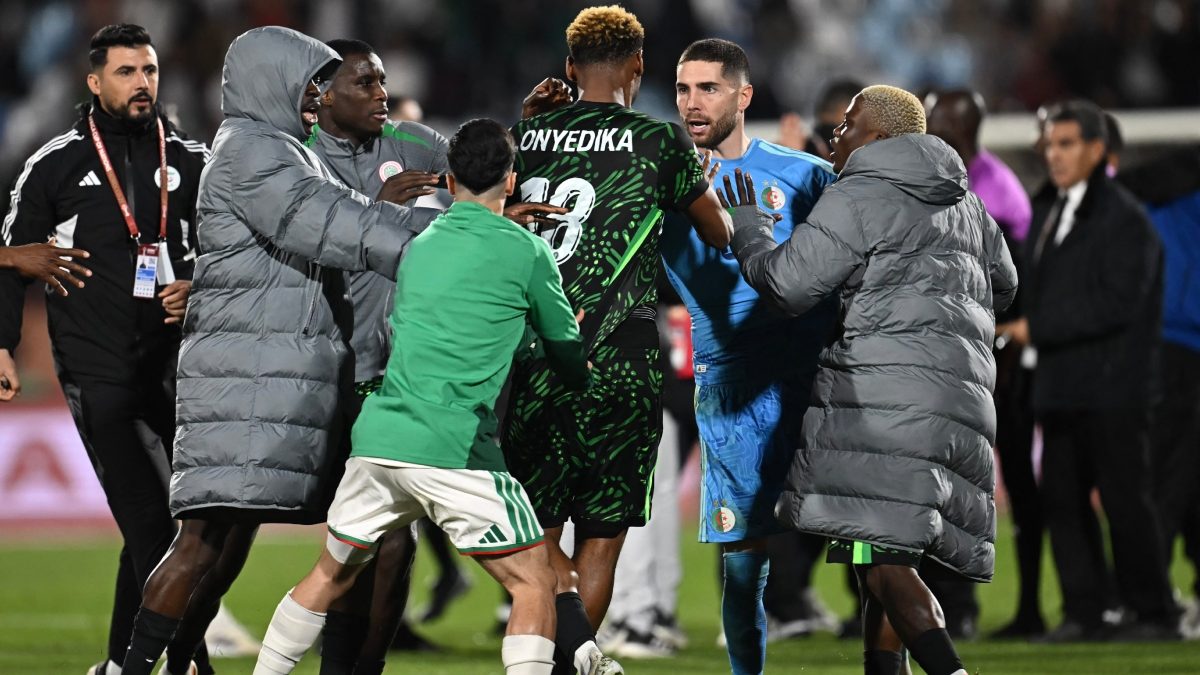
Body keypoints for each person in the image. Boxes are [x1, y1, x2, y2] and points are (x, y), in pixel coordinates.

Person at [117, 26, 435, 674]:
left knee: (255, 540)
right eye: (311, 82)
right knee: (206, 541)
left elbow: (345, 218)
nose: (316, 96)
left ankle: (176, 665)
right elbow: (340, 226)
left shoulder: (284, 150)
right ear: (274, 80)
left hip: (269, 374)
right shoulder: (255, 151)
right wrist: (463, 239)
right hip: (247, 376)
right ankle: (136, 666)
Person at [254, 117, 591, 675]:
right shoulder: (529, 251)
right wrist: (565, 342)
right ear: (511, 183)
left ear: (449, 180)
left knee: (329, 574)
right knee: (536, 579)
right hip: (455, 448)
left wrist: (521, 340)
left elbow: (455, 329)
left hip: (381, 442)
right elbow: (569, 360)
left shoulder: (418, 245)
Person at [726, 84, 1016, 675]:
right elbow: (1005, 286)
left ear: (880, 137)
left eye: (847, 126)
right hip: (959, 399)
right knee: (878, 551)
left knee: (885, 562)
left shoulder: (860, 192)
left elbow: (788, 284)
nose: (836, 135)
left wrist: (748, 229)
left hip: (882, 398)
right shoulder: (965, 201)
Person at [502, 6, 733, 674]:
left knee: (537, 536)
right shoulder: (661, 144)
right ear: (639, 67)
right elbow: (719, 234)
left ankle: (552, 654)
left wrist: (529, 117)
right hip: (626, 363)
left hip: (539, 357)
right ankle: (577, 654)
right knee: (601, 543)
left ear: (570, 69)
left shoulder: (532, 136)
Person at [0, 24, 219, 675]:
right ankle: (188, 664)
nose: (142, 83)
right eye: (126, 72)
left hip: (174, 369)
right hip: (96, 375)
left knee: (180, 529)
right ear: (94, 82)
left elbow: (229, 251)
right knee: (157, 529)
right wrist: (3, 344)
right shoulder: (56, 163)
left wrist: (196, 283)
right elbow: (11, 259)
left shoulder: (189, 159)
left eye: (149, 70)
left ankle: (122, 664)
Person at [660, 38, 836, 673]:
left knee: (870, 538)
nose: (692, 102)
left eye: (708, 88)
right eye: (682, 89)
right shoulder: (664, 188)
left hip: (809, 379)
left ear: (743, 95)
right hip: (728, 387)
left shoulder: (805, 176)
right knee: (743, 558)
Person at [1008, 100, 1177, 642]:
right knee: (1062, 500)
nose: (1053, 155)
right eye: (1050, 145)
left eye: (1066, 144)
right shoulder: (1054, 208)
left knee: (1126, 502)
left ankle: (1152, 611)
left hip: (1114, 389)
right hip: (1061, 386)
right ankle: (1086, 610)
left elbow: (1117, 303)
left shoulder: (1125, 218)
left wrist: (1038, 328)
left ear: (1097, 150)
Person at [924, 88, 1038, 639]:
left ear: (966, 127)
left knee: (977, 486)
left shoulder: (998, 193)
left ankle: (983, 605)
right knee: (936, 487)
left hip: (996, 364)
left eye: (940, 118)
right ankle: (934, 603)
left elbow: (1014, 284)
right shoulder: (938, 178)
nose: (931, 125)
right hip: (943, 359)